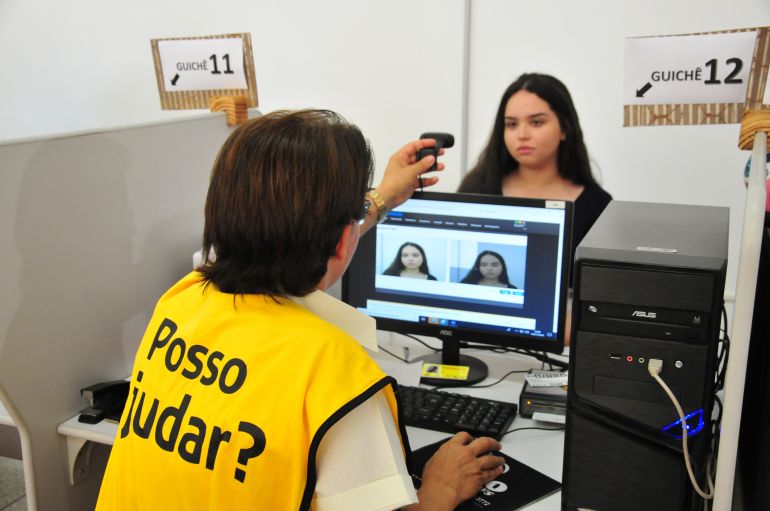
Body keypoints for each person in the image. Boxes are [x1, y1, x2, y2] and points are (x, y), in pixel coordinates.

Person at [95, 110, 504, 511]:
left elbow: (298, 232)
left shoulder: (181, 300)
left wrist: (380, 199)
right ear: (344, 241)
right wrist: (440, 489)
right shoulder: (336, 376)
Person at [458, 72, 612, 263]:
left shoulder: (597, 206)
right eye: (512, 124)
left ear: (565, 128)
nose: (522, 134)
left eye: (536, 122)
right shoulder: (476, 190)